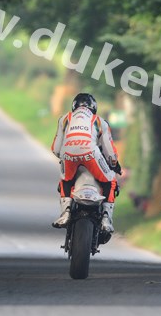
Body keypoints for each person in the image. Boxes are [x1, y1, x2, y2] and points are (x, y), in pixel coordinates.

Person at [50, 93, 121, 232]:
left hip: (68, 154)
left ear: (74, 106)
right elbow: (110, 152)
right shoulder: (100, 121)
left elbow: (56, 149)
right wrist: (114, 164)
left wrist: (65, 156)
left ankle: (65, 213)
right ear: (94, 108)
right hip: (91, 154)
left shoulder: (64, 119)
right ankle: (106, 218)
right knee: (110, 181)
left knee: (66, 180)